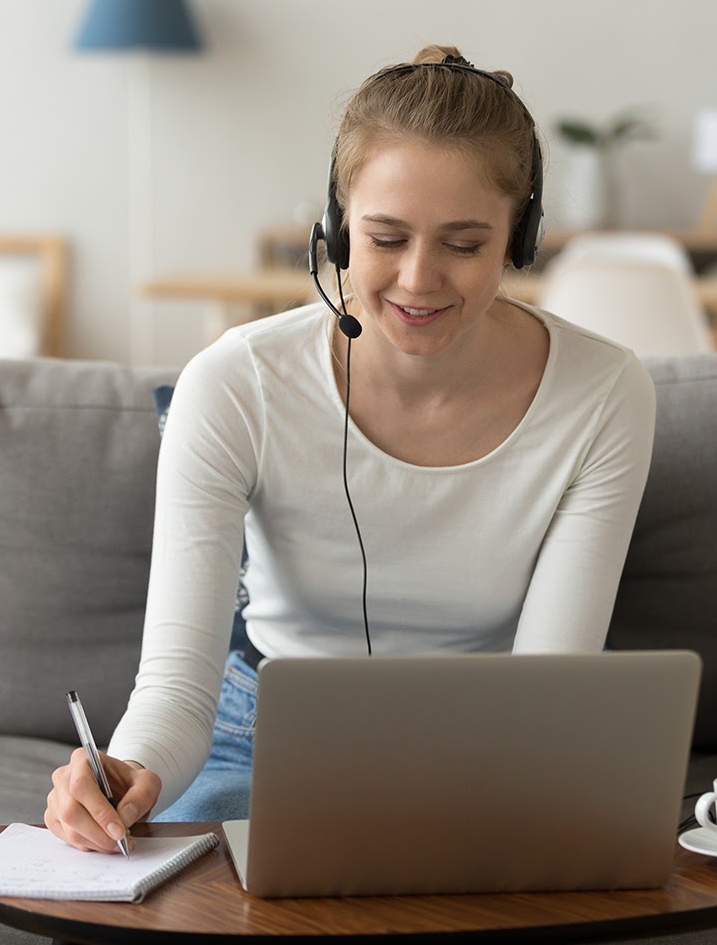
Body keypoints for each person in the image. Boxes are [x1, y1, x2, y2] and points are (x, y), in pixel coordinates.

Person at [45, 44, 657, 853]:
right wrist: (126, 770)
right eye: (385, 237)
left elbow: (545, 695)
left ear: (522, 236)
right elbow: (176, 690)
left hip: (497, 745)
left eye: (464, 244)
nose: (418, 279)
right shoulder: (235, 383)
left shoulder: (604, 392)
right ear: (334, 230)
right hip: (257, 733)